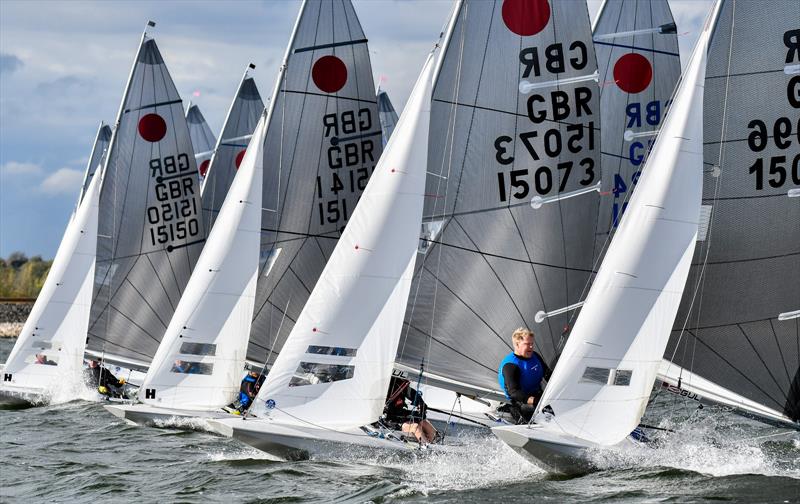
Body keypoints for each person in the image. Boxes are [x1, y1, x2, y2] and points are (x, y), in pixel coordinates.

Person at [497, 327, 552, 423]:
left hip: (537, 395)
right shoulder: (510, 365)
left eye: (532, 344)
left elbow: (548, 375)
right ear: (517, 344)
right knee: (549, 413)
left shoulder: (535, 356)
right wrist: (535, 401)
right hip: (520, 402)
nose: (531, 347)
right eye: (527, 344)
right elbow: (514, 392)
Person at [381, 375, 438, 445]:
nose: (409, 382)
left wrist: (421, 404)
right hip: (388, 420)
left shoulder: (401, 384)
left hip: (400, 414)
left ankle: (435, 444)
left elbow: (412, 394)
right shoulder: (387, 385)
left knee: (423, 420)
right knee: (415, 427)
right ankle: (427, 448)